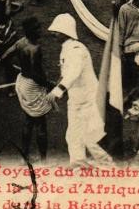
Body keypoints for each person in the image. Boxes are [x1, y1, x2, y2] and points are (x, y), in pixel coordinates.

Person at [47, 14, 112, 166]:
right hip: (76, 99)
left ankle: (108, 164)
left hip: (89, 99)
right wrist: (57, 88)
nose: (53, 34)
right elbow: (66, 75)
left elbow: (74, 73)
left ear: (65, 32)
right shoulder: (67, 48)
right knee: (73, 135)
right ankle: (78, 165)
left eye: (56, 31)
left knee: (90, 137)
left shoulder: (76, 50)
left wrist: (57, 92)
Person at [8, 17, 53, 162]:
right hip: (33, 86)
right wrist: (49, 84)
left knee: (28, 120)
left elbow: (3, 58)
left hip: (22, 82)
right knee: (41, 124)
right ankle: (43, 160)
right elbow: (35, 74)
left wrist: (18, 69)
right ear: (30, 31)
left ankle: (24, 157)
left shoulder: (20, 43)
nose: (40, 30)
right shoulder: (35, 48)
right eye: (37, 28)